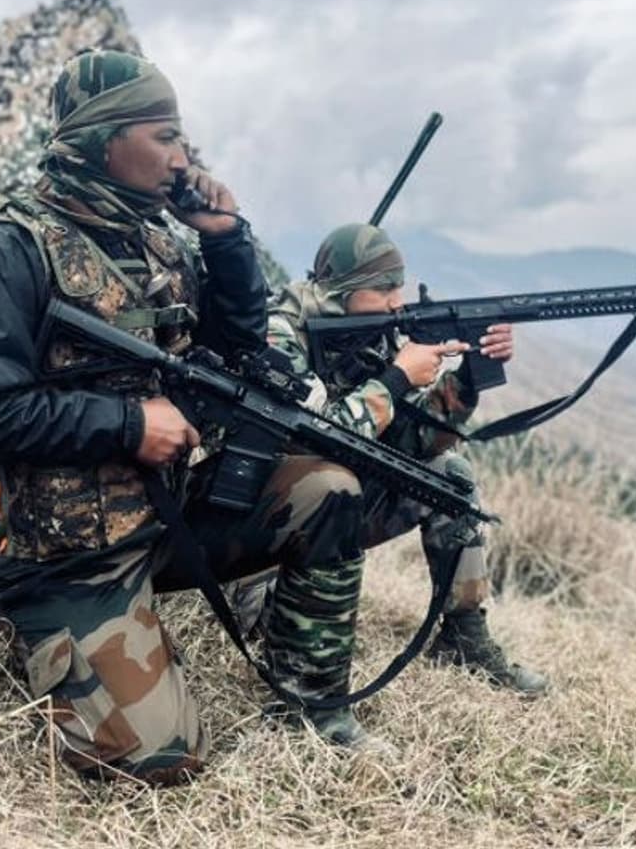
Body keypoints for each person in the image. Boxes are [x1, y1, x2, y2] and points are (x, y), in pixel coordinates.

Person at [0, 51, 397, 784]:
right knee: (161, 758)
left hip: (161, 519)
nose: (181, 157)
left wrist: (225, 241)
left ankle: (313, 703)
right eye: (164, 136)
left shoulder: (159, 245)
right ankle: (40, 628)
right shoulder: (12, 251)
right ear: (103, 141)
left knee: (326, 490)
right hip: (62, 554)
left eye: (180, 139)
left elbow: (234, 349)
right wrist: (128, 425)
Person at [230, 223, 549, 697]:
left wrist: (468, 379)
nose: (397, 301)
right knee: (270, 615)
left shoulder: (374, 334)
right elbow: (317, 439)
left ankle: (464, 637)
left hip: (338, 511)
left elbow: (416, 441)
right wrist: (396, 380)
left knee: (450, 475)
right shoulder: (280, 335)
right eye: (383, 288)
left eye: (398, 286)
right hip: (265, 551)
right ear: (343, 288)